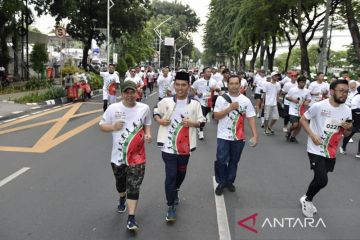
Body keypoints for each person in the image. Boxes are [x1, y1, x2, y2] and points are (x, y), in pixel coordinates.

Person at [99, 81, 152, 230]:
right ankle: (122, 197)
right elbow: (101, 126)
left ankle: (131, 217)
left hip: (138, 156)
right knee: (120, 184)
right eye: (126, 92)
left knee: (134, 186)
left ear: (137, 93)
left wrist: (148, 134)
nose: (129, 95)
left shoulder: (144, 108)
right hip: (118, 157)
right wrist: (113, 127)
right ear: (122, 94)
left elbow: (147, 123)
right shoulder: (113, 108)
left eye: (132, 92)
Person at [154, 71, 206, 222]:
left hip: (185, 148)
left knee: (181, 175)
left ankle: (176, 189)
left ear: (189, 86)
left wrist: (193, 123)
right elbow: (155, 112)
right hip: (168, 147)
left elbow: (202, 122)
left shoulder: (195, 104)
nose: (180, 88)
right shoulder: (166, 101)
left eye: (183, 85)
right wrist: (160, 121)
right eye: (177, 85)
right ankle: (170, 206)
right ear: (174, 85)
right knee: (171, 175)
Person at [299, 79, 352, 218]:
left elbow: (346, 133)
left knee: (320, 178)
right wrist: (312, 134)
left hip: (331, 150)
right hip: (315, 148)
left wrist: (348, 129)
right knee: (322, 180)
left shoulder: (347, 110)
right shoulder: (319, 106)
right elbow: (303, 120)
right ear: (332, 91)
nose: (344, 94)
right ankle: (307, 200)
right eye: (341, 91)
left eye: (346, 92)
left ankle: (306, 196)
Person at [213, 75, 258, 195]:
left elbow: (251, 118)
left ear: (240, 85)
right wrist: (229, 108)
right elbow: (216, 116)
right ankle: (221, 182)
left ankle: (229, 182)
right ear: (228, 85)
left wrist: (255, 135)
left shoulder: (245, 100)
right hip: (223, 135)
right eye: (231, 83)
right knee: (221, 160)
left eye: (236, 83)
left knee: (234, 161)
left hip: (239, 137)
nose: (233, 85)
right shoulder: (221, 99)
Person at [191, 67, 218, 140]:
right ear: (203, 73)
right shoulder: (199, 81)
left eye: (210, 72)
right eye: (207, 71)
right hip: (200, 101)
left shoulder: (214, 81)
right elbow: (192, 88)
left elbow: (218, 89)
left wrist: (215, 89)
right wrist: (197, 93)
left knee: (204, 117)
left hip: (209, 102)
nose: (209, 73)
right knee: (202, 117)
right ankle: (201, 132)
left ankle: (199, 126)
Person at [285, 76, 311, 143]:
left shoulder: (307, 91)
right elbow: (287, 97)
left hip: (301, 110)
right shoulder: (293, 89)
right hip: (293, 110)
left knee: (300, 125)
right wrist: (293, 99)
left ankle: (293, 137)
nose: (303, 84)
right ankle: (289, 131)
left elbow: (309, 99)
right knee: (295, 124)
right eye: (301, 82)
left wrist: (306, 102)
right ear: (298, 82)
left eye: (304, 82)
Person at [340, 85, 360, 157]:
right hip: (356, 117)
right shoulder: (357, 97)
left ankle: (359, 152)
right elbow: (353, 109)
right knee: (351, 133)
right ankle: (343, 147)